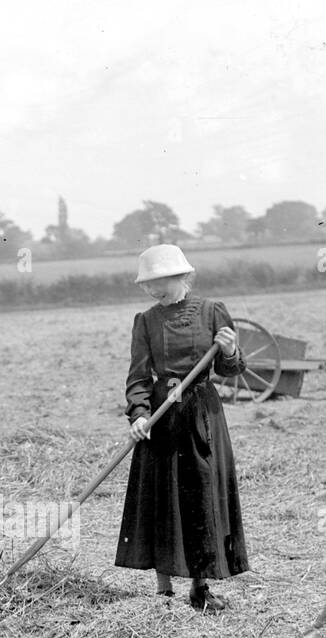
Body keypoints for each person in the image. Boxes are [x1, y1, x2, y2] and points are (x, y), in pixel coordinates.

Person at [115, 245, 248, 611]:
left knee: (200, 496)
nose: (153, 291)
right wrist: (139, 414)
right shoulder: (145, 321)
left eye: (159, 282)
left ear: (180, 276)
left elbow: (232, 370)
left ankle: (200, 587)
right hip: (161, 417)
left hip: (201, 415)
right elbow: (139, 375)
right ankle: (163, 591)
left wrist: (230, 349)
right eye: (147, 285)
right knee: (162, 498)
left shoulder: (212, 312)